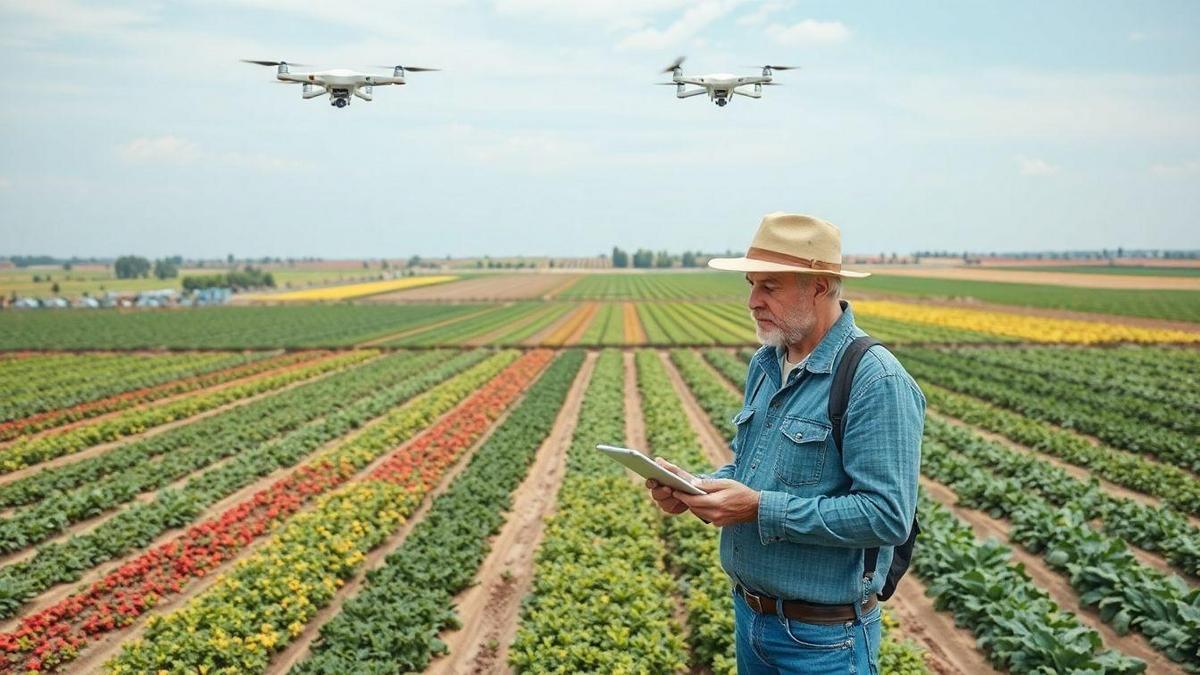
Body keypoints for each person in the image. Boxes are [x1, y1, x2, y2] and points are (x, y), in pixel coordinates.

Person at [645, 212, 925, 675]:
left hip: (824, 642)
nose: (753, 300)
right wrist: (696, 487)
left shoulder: (876, 380)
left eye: (769, 286)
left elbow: (887, 516)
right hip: (751, 620)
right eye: (751, 284)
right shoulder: (767, 362)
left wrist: (758, 509)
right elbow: (752, 473)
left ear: (818, 286)